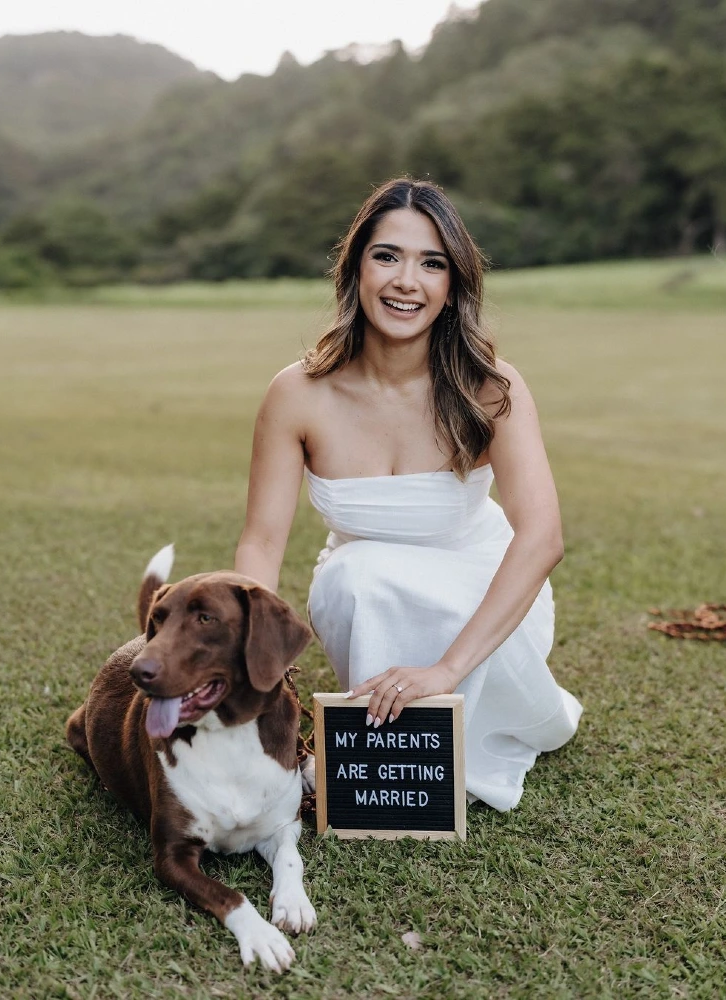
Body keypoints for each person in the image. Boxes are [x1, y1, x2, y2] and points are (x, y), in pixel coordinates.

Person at [235, 178, 581, 811]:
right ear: (356, 269)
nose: (406, 281)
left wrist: (446, 670)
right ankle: (380, 765)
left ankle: (444, 733)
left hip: (486, 596)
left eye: (432, 263)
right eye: (387, 256)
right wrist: (253, 665)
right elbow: (261, 541)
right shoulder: (297, 393)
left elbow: (542, 538)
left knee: (367, 576)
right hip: (362, 599)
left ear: (453, 288)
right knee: (355, 575)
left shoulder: (490, 387)